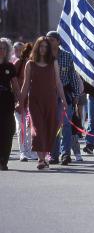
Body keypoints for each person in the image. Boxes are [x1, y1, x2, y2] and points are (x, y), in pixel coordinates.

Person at [20, 36, 67, 169]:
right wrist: (20, 100)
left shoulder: (53, 63)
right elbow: (25, 85)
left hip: (50, 100)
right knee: (38, 129)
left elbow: (58, 82)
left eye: (46, 47)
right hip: (35, 101)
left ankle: (45, 157)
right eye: (41, 46)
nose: (43, 49)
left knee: (50, 128)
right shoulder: (30, 64)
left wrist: (64, 100)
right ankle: (41, 159)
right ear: (37, 47)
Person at [46, 31, 81, 165]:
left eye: (52, 40)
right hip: (48, 95)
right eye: (48, 39)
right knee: (53, 125)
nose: (49, 42)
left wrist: (76, 95)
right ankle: (53, 155)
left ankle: (66, 154)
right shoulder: (44, 56)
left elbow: (72, 77)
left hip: (64, 95)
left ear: (58, 41)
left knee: (66, 125)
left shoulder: (66, 56)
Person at [0, 38, 21, 170]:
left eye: (3, 48)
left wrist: (19, 101)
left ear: (7, 51)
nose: (1, 51)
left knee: (7, 131)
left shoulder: (10, 66)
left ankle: (3, 160)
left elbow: (15, 86)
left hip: (6, 102)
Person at [13, 43, 35, 161]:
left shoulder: (36, 65)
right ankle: (22, 152)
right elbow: (13, 80)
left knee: (30, 127)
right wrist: (17, 98)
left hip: (31, 101)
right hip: (20, 100)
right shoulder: (19, 63)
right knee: (21, 127)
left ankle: (29, 151)